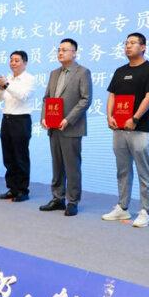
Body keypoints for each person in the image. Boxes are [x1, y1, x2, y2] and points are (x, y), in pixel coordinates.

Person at [101, 33, 149, 228]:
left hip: (139, 129)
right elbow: (112, 95)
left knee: (144, 171)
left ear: (143, 47)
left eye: (133, 43)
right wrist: (109, 116)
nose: (128, 46)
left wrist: (135, 118)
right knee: (123, 170)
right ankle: (122, 207)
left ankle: (145, 211)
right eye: (126, 43)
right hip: (118, 128)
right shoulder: (120, 71)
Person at [39, 38, 92, 217]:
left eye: (64, 50)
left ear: (74, 53)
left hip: (71, 127)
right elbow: (47, 98)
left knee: (72, 166)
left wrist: (68, 119)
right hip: (53, 127)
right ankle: (58, 198)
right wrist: (44, 117)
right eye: (59, 50)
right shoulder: (54, 73)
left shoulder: (83, 72)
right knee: (57, 165)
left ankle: (73, 201)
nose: (60, 53)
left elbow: (85, 99)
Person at [0, 50, 35, 202]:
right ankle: (12, 188)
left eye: (17, 60)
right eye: (11, 60)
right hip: (7, 119)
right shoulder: (8, 78)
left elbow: (22, 96)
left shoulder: (29, 79)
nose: (13, 63)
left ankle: (22, 190)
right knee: (8, 157)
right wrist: (0, 87)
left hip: (21, 120)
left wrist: (6, 84)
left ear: (25, 63)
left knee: (20, 156)